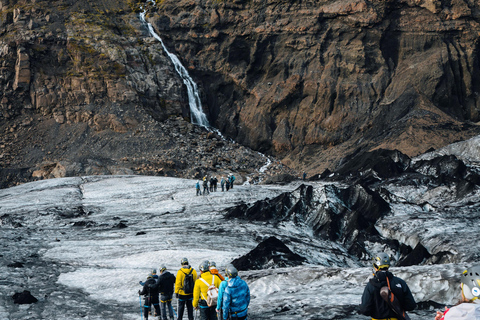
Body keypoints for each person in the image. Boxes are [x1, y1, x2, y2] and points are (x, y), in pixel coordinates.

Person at [359, 252, 416, 320]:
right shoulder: (400, 282)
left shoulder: (371, 285)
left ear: (375, 266)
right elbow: (411, 306)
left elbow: (365, 309)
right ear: (388, 266)